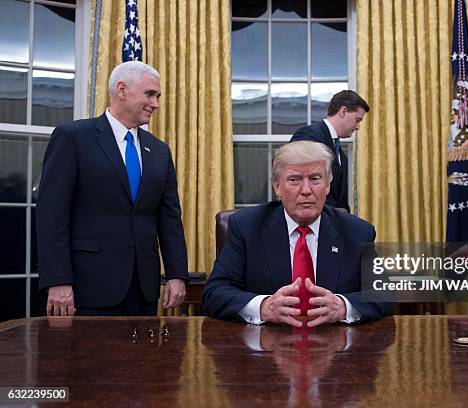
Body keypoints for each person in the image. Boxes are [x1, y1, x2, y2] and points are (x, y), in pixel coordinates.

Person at [36, 61, 189, 316]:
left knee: (144, 358)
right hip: (88, 287)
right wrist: (57, 280)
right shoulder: (73, 138)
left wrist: (176, 274)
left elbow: (169, 218)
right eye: (150, 94)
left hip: (143, 288)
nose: (156, 104)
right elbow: (52, 215)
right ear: (122, 89)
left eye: (158, 96)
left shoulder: (160, 151)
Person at [202, 141, 392, 327]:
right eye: (294, 180)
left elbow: (384, 293)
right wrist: (263, 307)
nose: (306, 190)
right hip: (265, 348)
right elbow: (214, 293)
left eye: (315, 179)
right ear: (277, 187)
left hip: (336, 348)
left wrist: (343, 307)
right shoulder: (247, 227)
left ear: (327, 186)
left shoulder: (356, 232)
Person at [290, 90, 370, 212]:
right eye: (357, 120)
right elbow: (299, 184)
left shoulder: (341, 155)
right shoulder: (309, 136)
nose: (358, 127)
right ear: (343, 111)